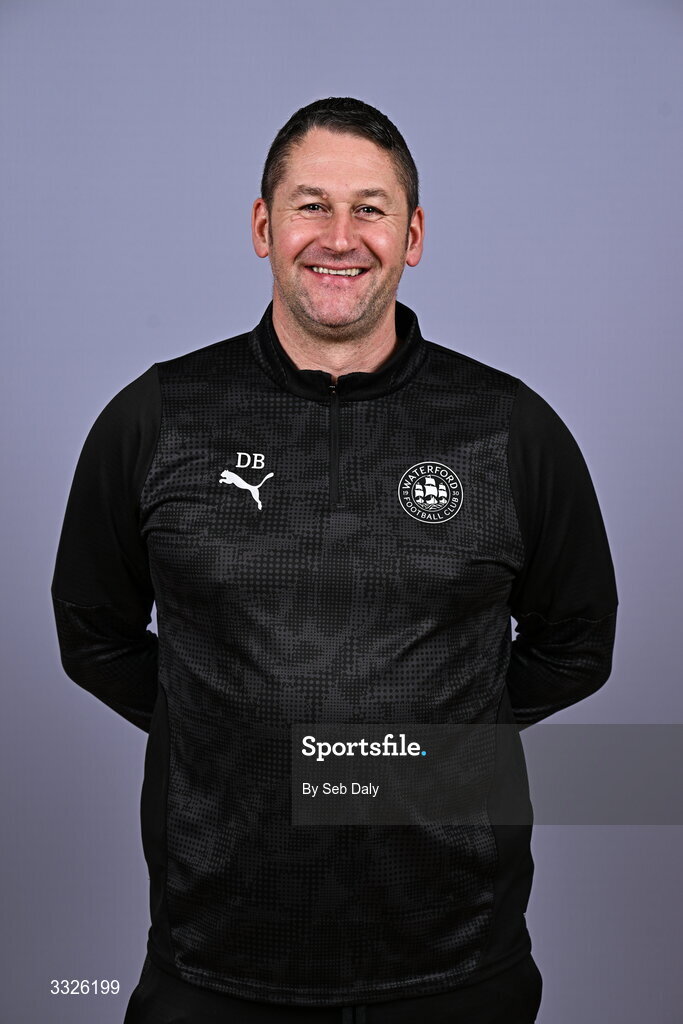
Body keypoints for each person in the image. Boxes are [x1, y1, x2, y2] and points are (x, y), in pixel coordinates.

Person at [50, 97, 618, 1023]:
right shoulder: (157, 418)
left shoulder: (508, 427)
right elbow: (93, 632)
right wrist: (227, 731)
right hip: (214, 961)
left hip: (456, 961)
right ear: (263, 225)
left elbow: (577, 642)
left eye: (371, 208)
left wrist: (421, 736)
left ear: (414, 233)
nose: (340, 236)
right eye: (312, 204)